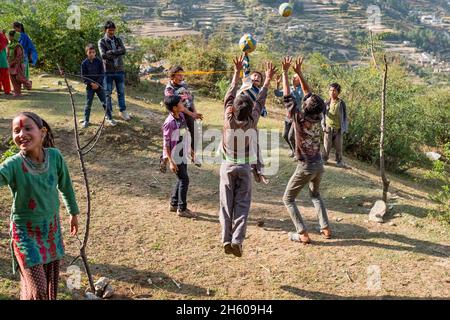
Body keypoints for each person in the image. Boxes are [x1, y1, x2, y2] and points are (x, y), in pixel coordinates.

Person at [0, 112, 80, 300]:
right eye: (16, 130)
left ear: (42, 132)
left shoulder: (55, 156)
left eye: (28, 128)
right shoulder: (13, 164)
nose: (22, 134)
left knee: (48, 284)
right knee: (39, 289)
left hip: (50, 230)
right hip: (25, 234)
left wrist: (73, 212)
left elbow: (66, 186)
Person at [219, 55, 276, 257]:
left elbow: (229, 94)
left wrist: (236, 72)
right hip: (244, 169)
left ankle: (226, 239)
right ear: (251, 111)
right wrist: (267, 80)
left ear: (233, 109)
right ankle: (237, 241)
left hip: (227, 167)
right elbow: (260, 100)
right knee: (242, 206)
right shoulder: (252, 122)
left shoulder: (228, 119)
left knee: (227, 205)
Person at [281, 56, 332, 244]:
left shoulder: (299, 118)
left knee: (288, 199)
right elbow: (309, 94)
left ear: (306, 106)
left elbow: (287, 96)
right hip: (319, 164)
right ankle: (325, 227)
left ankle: (301, 233)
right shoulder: (319, 114)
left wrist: (286, 72)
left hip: (306, 166)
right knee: (315, 195)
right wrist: (299, 72)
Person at [160, 66, 203, 172]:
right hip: (178, 115)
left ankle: (193, 156)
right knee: (172, 139)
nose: (181, 77)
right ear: (172, 76)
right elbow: (178, 107)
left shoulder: (184, 85)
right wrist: (191, 114)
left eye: (182, 74)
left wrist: (195, 112)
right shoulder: (169, 89)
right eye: (179, 75)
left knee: (192, 134)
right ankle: (165, 159)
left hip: (187, 113)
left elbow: (190, 100)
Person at [163, 95, 197, 218]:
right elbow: (166, 143)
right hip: (174, 154)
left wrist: (190, 149)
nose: (183, 104)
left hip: (182, 151)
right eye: (180, 103)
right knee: (184, 179)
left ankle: (173, 203)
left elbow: (184, 134)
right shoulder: (169, 123)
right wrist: (171, 161)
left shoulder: (181, 116)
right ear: (174, 108)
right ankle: (182, 209)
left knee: (181, 178)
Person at [98, 21, 130, 121]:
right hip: (108, 70)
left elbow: (123, 51)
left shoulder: (118, 40)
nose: (111, 32)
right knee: (107, 93)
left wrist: (111, 52)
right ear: (105, 30)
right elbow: (103, 55)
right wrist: (117, 52)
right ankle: (109, 112)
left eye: (113, 30)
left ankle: (122, 111)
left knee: (121, 92)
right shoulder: (102, 41)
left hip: (119, 69)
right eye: (109, 30)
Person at [81, 44, 116, 128]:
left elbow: (102, 73)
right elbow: (84, 76)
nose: (92, 54)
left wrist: (97, 83)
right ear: (87, 53)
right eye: (90, 52)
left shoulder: (99, 61)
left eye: (93, 52)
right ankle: (86, 120)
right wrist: (91, 83)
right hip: (90, 87)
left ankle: (110, 118)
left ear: (95, 53)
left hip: (99, 86)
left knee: (104, 102)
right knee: (88, 103)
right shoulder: (84, 63)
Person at [274, 74, 304, 158]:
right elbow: (278, 94)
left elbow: (299, 96)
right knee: (285, 135)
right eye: (293, 77)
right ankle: (293, 150)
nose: (293, 78)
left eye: (296, 77)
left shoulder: (300, 89)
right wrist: (277, 84)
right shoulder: (289, 88)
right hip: (288, 116)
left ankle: (297, 153)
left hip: (296, 117)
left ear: (299, 79)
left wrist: (291, 89)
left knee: (291, 136)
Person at [322, 82, 349, 168]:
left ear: (338, 92)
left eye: (334, 91)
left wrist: (344, 128)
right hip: (328, 127)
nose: (332, 92)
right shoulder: (326, 103)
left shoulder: (341, 103)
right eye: (330, 90)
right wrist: (323, 125)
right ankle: (324, 159)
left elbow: (345, 116)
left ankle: (339, 161)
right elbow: (322, 115)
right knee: (327, 145)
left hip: (338, 128)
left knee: (339, 146)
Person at [7, 30, 32, 97]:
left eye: (10, 36)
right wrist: (9, 62)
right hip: (11, 65)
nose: (8, 37)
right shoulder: (10, 45)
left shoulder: (18, 46)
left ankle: (28, 83)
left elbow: (19, 56)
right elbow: (8, 55)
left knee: (19, 78)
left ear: (14, 37)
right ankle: (17, 92)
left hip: (17, 65)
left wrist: (13, 62)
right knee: (13, 79)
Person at [0, 29, 11, 95]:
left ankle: (7, 90)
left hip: (2, 59)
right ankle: (7, 90)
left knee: (4, 75)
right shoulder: (3, 36)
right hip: (3, 59)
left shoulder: (1, 35)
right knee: (5, 76)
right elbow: (7, 44)